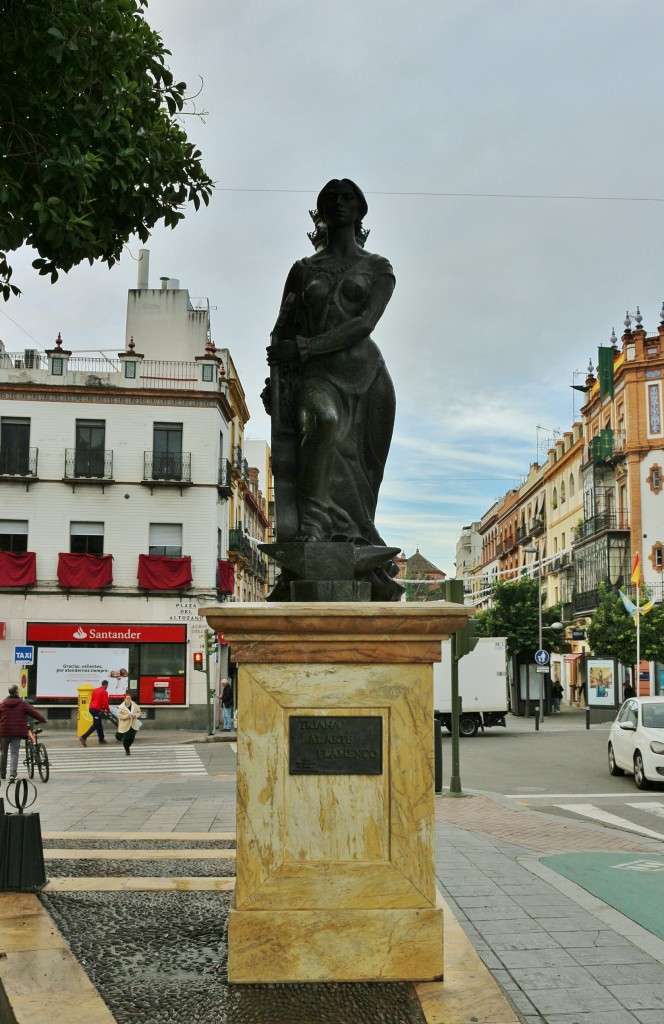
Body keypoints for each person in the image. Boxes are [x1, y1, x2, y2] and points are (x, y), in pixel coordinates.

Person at [264, 178, 401, 600]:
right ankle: (313, 528)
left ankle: (354, 538)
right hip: (315, 376)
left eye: (349, 198)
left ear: (360, 209)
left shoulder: (378, 268)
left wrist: (305, 346)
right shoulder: (303, 270)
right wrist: (276, 381)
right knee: (323, 421)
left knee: (363, 473)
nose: (340, 204)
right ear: (321, 211)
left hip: (367, 377)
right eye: (331, 199)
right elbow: (281, 329)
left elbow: (363, 324)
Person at [0, 684, 47, 783]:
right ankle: (12, 775)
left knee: (4, 753)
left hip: (4, 732)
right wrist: (43, 720)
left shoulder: (2, 704)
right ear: (17, 692)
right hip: (17, 732)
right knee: (14, 753)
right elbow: (33, 713)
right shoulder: (22, 703)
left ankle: (2, 774)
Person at [79, 679, 111, 746]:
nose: (107, 686)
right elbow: (105, 703)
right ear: (106, 685)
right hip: (96, 710)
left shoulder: (95, 690)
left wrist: (100, 708)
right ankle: (83, 737)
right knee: (96, 725)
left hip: (91, 708)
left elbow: (93, 699)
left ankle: (101, 739)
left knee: (99, 724)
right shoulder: (105, 692)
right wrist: (108, 710)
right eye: (107, 685)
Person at [117, 691, 141, 756]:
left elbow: (138, 712)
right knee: (126, 738)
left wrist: (134, 715)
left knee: (132, 738)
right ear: (124, 699)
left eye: (129, 699)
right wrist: (127, 716)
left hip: (133, 724)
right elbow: (120, 716)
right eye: (127, 699)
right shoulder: (121, 707)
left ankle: (127, 747)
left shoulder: (134, 706)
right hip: (125, 725)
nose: (128, 700)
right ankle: (127, 750)